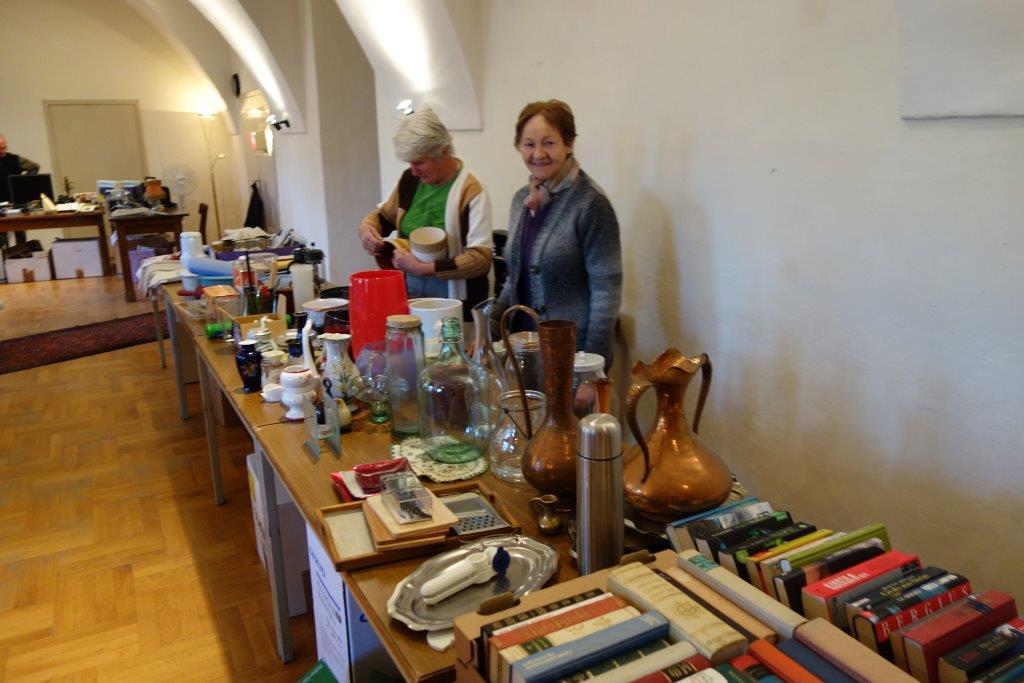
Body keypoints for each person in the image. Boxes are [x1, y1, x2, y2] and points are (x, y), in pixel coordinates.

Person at [493, 100, 622, 364]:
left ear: (569, 143)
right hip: (521, 350)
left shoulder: (590, 203)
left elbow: (606, 294)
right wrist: (491, 327)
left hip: (570, 355)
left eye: (549, 143)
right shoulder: (522, 200)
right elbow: (514, 278)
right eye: (529, 144)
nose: (538, 153)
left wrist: (592, 365)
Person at [358, 109, 492, 320]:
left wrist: (423, 268)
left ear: (444, 152)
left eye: (419, 162)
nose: (414, 170)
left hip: (455, 298)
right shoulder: (411, 180)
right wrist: (368, 228)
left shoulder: (472, 191)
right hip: (411, 289)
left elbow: (479, 260)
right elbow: (384, 217)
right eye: (410, 163)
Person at [0, 134, 41, 246]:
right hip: (0, 204)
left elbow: (35, 167)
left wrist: (22, 182)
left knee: (20, 234)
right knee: (2, 238)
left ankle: (21, 255)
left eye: (4, 147)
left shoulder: (15, 159)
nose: (3, 151)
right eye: (0, 148)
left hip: (15, 202)